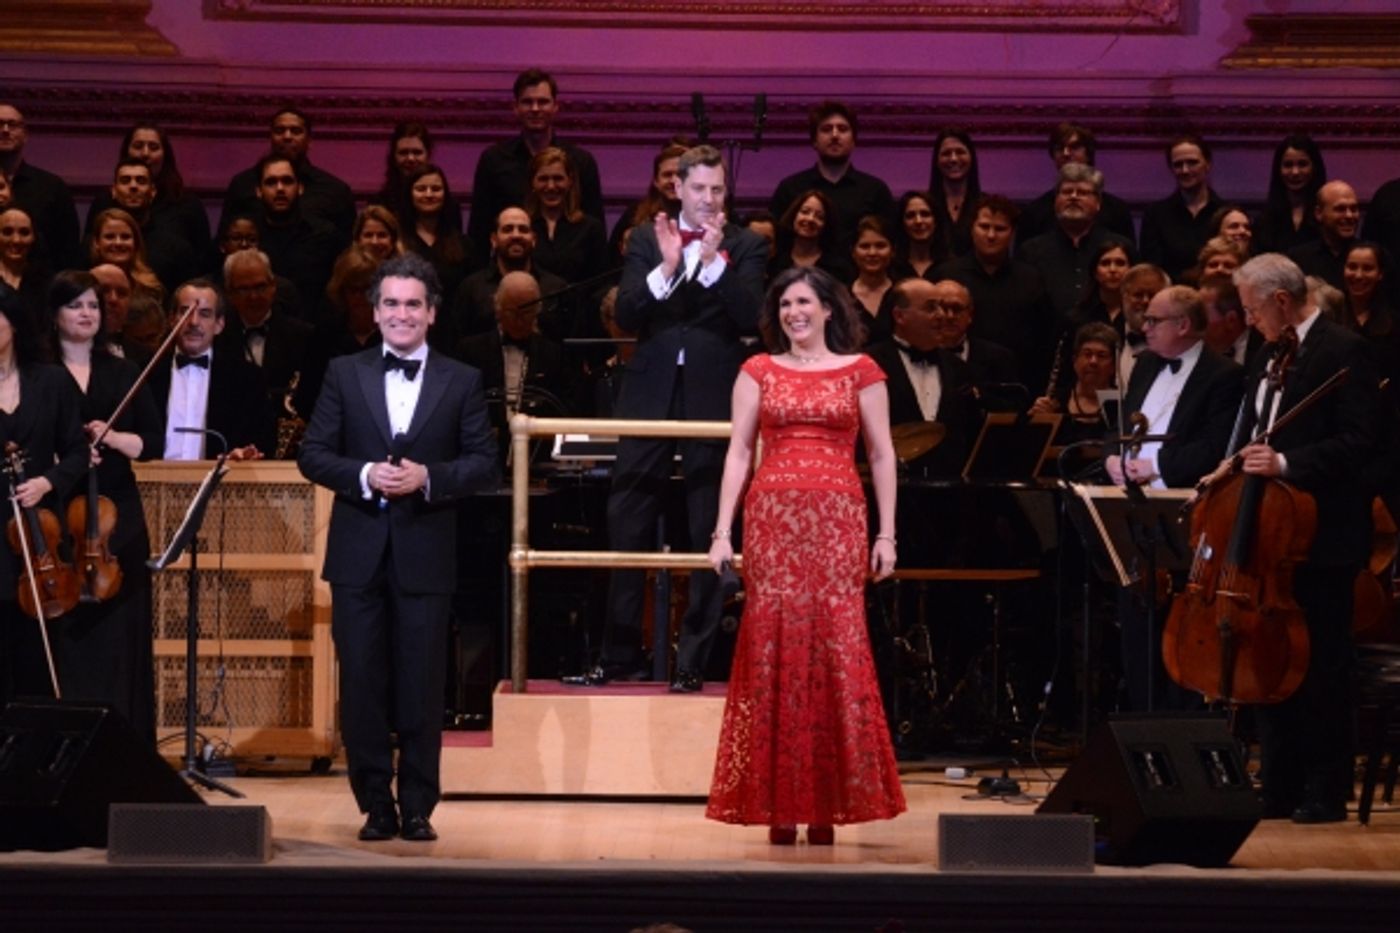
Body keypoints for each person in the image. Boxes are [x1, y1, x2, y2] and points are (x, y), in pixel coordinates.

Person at [298, 252, 498, 842]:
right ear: (375, 311)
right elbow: (313, 453)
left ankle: (417, 805)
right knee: (361, 682)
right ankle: (373, 804)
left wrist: (427, 479)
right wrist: (363, 474)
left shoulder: (461, 379)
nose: (402, 314)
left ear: (431, 313)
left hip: (426, 552)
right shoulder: (344, 371)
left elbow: (484, 463)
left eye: (414, 304)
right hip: (358, 553)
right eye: (391, 303)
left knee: (420, 683)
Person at [705, 265, 904, 845]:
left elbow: (884, 455)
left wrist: (886, 534)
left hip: (839, 522)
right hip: (773, 522)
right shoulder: (758, 370)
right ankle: (777, 805)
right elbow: (739, 452)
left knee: (834, 648)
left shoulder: (863, 370)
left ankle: (828, 807)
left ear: (828, 310)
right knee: (774, 649)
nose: (794, 312)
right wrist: (723, 530)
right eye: (785, 302)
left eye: (804, 302)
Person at [570, 144, 766, 691]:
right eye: (699, 189)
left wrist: (710, 265)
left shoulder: (745, 244)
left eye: (717, 190)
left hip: (714, 395)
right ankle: (619, 653)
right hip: (648, 393)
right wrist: (668, 266)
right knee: (627, 517)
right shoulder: (642, 238)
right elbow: (628, 313)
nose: (708, 199)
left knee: (713, 525)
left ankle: (693, 661)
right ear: (677, 189)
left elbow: (752, 316)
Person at [1230, 253, 1378, 823]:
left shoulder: (1345, 351)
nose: (1249, 321)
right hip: (1269, 535)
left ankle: (1326, 785)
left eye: (1252, 310)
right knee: (1270, 659)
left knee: (1320, 663)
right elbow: (1253, 428)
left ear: (1281, 302)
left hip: (1322, 534)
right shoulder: (1269, 353)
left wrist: (1287, 461)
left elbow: (1360, 441)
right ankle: (1279, 782)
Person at [45, 270, 162, 741]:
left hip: (119, 517)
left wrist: (113, 437)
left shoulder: (123, 371)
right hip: (62, 515)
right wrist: (67, 458)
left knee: (122, 631)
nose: (87, 314)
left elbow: (152, 442)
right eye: (76, 306)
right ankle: (69, 739)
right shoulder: (40, 375)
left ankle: (126, 743)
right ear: (55, 314)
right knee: (68, 628)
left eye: (93, 305)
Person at [0, 285, 88, 707]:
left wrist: (46, 483)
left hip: (39, 536)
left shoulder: (52, 381)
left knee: (39, 652)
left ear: (13, 324)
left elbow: (77, 451)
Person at [467, 68, 604, 267]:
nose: (535, 108)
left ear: (555, 106)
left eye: (543, 102)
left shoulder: (581, 161)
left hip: (571, 273)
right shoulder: (493, 160)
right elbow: (479, 230)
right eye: (527, 102)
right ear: (515, 107)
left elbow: (595, 230)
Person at [933, 194, 1054, 390]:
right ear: (972, 229)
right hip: (954, 381)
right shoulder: (946, 275)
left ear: (1012, 233)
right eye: (984, 227)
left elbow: (1044, 340)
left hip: (1018, 382)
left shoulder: (1031, 279)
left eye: (1000, 229)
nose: (991, 235)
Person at [149, 279, 274, 461]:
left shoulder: (248, 379)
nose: (193, 322)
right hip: (152, 483)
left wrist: (243, 454)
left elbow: (263, 441)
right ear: (172, 319)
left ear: (219, 325)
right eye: (186, 312)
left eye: (205, 314)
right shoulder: (144, 373)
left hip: (221, 485)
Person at [768, 101, 894, 250]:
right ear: (814, 141)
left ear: (854, 141)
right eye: (826, 129)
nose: (835, 135)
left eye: (842, 129)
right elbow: (778, 241)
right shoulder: (790, 188)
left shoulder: (875, 190)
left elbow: (889, 243)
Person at [220, 106, 355, 242]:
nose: (287, 136)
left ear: (309, 140)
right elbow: (224, 241)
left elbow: (349, 252)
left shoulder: (335, 191)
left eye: (296, 131)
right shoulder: (243, 184)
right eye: (280, 131)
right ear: (271, 137)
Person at [1020, 163, 1133, 319]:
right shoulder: (1031, 251)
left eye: (1082, 192)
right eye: (1067, 192)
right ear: (1055, 201)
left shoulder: (1120, 247)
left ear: (1098, 203)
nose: (1073, 197)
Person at [1016, 122, 1136, 248]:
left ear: (1089, 153)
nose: (1066, 153)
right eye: (1059, 148)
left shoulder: (1117, 210)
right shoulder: (1034, 212)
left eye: (1074, 147)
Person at [0, 103, 80, 269]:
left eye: (13, 125)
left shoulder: (52, 188)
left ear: (25, 135)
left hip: (41, 287)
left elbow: (68, 252)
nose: (5, 130)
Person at [1140, 135, 1226, 281]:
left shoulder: (1227, 213)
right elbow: (1153, 269)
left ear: (1208, 164)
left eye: (1192, 163)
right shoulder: (1155, 215)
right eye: (1178, 164)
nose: (1185, 170)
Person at [400, 163, 475, 308]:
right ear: (410, 194)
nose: (429, 194)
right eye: (421, 189)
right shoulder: (397, 242)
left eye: (436, 189)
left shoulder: (463, 245)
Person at [372, 122, 462, 235]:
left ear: (428, 155)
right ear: (394, 157)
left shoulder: (448, 205)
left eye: (417, 152)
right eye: (403, 153)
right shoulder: (380, 203)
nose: (410, 158)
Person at [609, 141, 687, 264]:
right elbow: (612, 262)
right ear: (656, 181)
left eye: (680, 174)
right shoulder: (634, 215)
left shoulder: (705, 215)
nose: (673, 181)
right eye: (667, 175)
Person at [1255, 134, 1327, 255]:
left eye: (1302, 164)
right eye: (1288, 165)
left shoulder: (1327, 216)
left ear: (1315, 167)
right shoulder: (1264, 220)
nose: (1295, 172)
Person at [1287, 180, 1360, 292]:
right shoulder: (1298, 259)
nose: (1349, 215)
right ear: (1319, 213)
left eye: (1354, 209)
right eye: (1340, 209)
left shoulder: (1373, 258)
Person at [770, 189, 854, 283]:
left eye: (819, 216)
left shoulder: (838, 268)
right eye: (805, 212)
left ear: (826, 224)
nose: (810, 219)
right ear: (794, 215)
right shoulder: (774, 263)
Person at [87, 207, 164, 303]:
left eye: (125, 237)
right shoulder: (84, 285)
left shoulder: (150, 289)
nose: (118, 243)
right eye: (110, 237)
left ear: (136, 243)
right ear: (96, 243)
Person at [927, 127, 981, 257]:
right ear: (937, 160)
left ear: (971, 157)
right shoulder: (924, 206)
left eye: (960, 152)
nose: (953, 159)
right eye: (946, 153)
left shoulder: (985, 205)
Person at [846, 214, 898, 345]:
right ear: (853, 252)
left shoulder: (903, 294)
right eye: (864, 246)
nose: (872, 253)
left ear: (893, 251)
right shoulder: (841, 297)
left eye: (880, 246)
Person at [891, 191, 944, 279]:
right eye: (910, 216)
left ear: (936, 221)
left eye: (925, 214)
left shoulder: (953, 268)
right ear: (902, 222)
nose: (918, 221)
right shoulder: (890, 267)